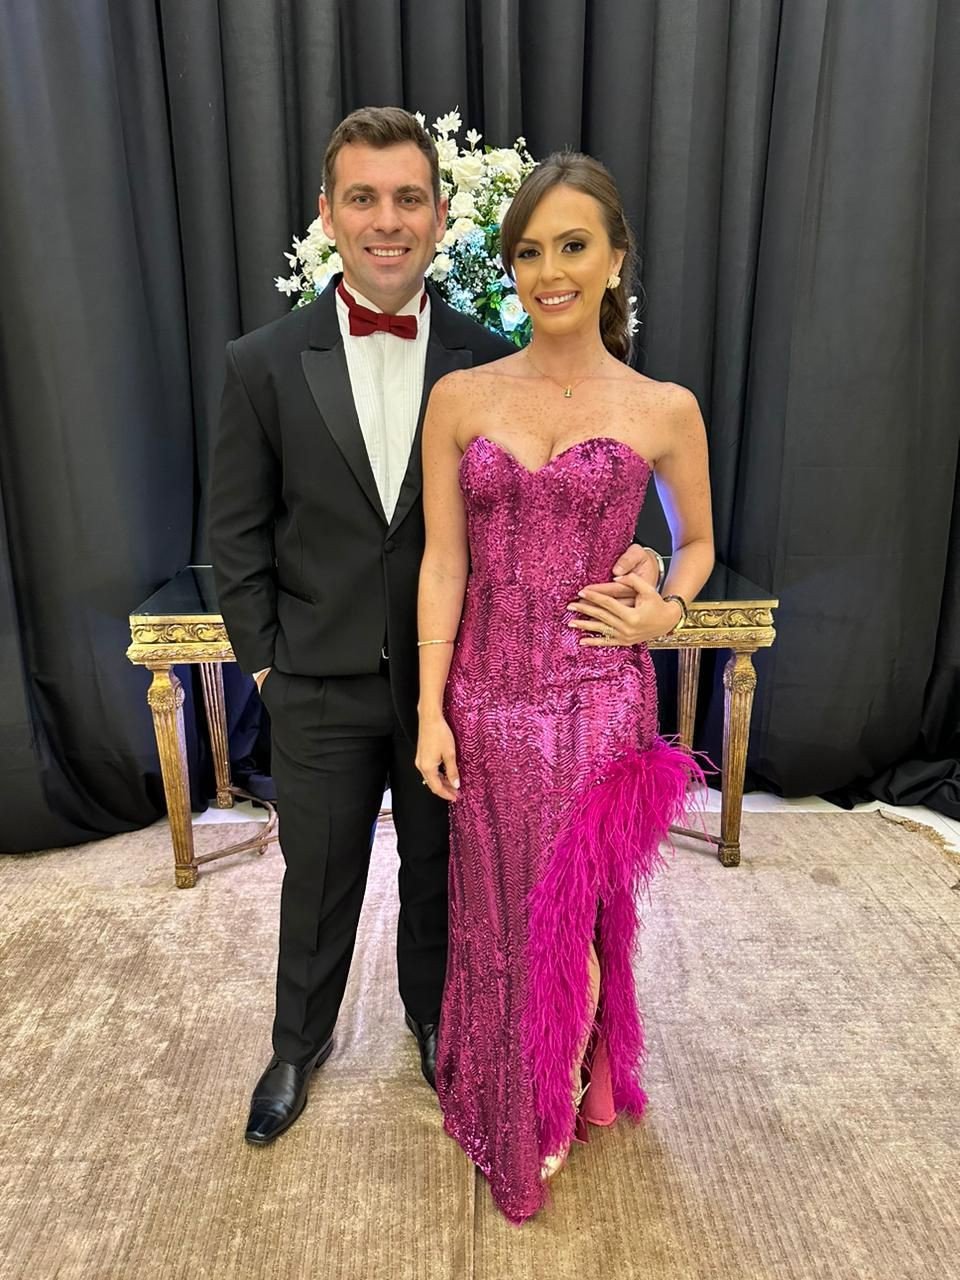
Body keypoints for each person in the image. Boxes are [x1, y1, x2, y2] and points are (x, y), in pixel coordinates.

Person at [208, 109, 659, 1148]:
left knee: (444, 872)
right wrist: (269, 668)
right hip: (316, 679)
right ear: (328, 214)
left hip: (459, 685)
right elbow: (234, 534)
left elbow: (570, 490)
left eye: (408, 198)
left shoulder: (493, 358)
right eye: (363, 198)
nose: (387, 219)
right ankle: (296, 1045)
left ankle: (436, 1019)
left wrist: (641, 556)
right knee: (317, 874)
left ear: (441, 216)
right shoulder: (259, 363)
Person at [416, 150, 715, 1222]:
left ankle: (542, 1102)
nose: (550, 271)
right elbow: (442, 563)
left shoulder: (663, 406)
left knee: (566, 913)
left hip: (597, 695)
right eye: (530, 251)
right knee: (496, 909)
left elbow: (697, 544)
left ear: (615, 259)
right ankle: (521, 1076)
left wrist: (664, 607)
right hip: (486, 697)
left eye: (574, 246)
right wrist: (429, 708)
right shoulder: (461, 396)